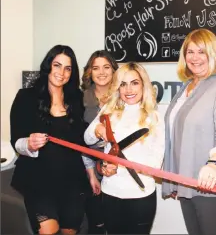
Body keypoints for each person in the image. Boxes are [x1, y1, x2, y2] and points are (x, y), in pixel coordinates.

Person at [162, 28, 216, 235]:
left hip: (213, 189)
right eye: (190, 51)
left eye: (201, 52)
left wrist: (215, 164)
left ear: (213, 54)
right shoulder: (188, 86)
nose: (195, 58)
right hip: (189, 184)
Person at [10, 45, 90, 234]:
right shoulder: (26, 97)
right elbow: (16, 141)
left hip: (72, 182)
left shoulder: (78, 99)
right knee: (48, 230)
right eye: (57, 65)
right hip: (38, 181)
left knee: (69, 231)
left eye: (67, 68)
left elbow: (83, 140)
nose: (61, 73)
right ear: (48, 66)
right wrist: (28, 143)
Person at [84, 62, 164, 234]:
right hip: (110, 194)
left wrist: (116, 166)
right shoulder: (109, 110)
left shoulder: (154, 117)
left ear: (144, 85)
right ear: (117, 88)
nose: (129, 90)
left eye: (134, 83)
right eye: (123, 84)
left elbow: (155, 163)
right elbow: (87, 139)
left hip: (140, 196)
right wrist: (97, 130)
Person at [80, 50, 118, 234]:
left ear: (113, 70)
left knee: (117, 221)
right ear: (89, 72)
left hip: (118, 167)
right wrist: (92, 175)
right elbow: (79, 139)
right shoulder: (81, 98)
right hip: (90, 167)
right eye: (96, 68)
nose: (101, 72)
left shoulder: (124, 95)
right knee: (96, 222)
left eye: (106, 67)